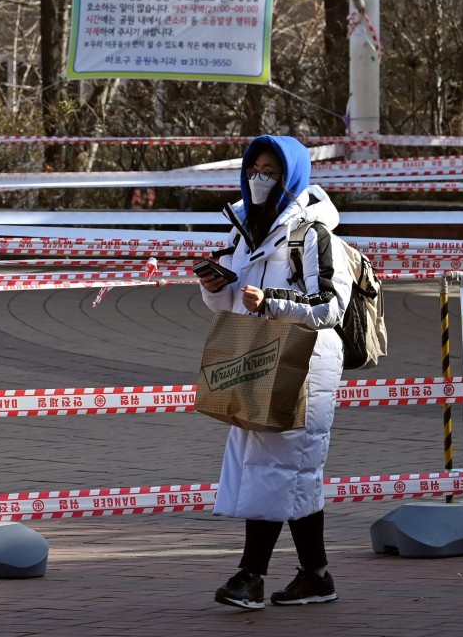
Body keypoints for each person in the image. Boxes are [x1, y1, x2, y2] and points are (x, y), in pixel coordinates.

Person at [198, 135, 352, 610]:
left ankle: (251, 575)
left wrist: (272, 303)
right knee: (287, 470)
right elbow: (233, 297)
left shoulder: (314, 232)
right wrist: (215, 286)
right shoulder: (243, 225)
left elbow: (332, 305)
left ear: (292, 177)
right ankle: (316, 575)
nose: (258, 178)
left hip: (304, 358)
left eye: (271, 171)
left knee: (275, 467)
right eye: (254, 168)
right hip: (258, 352)